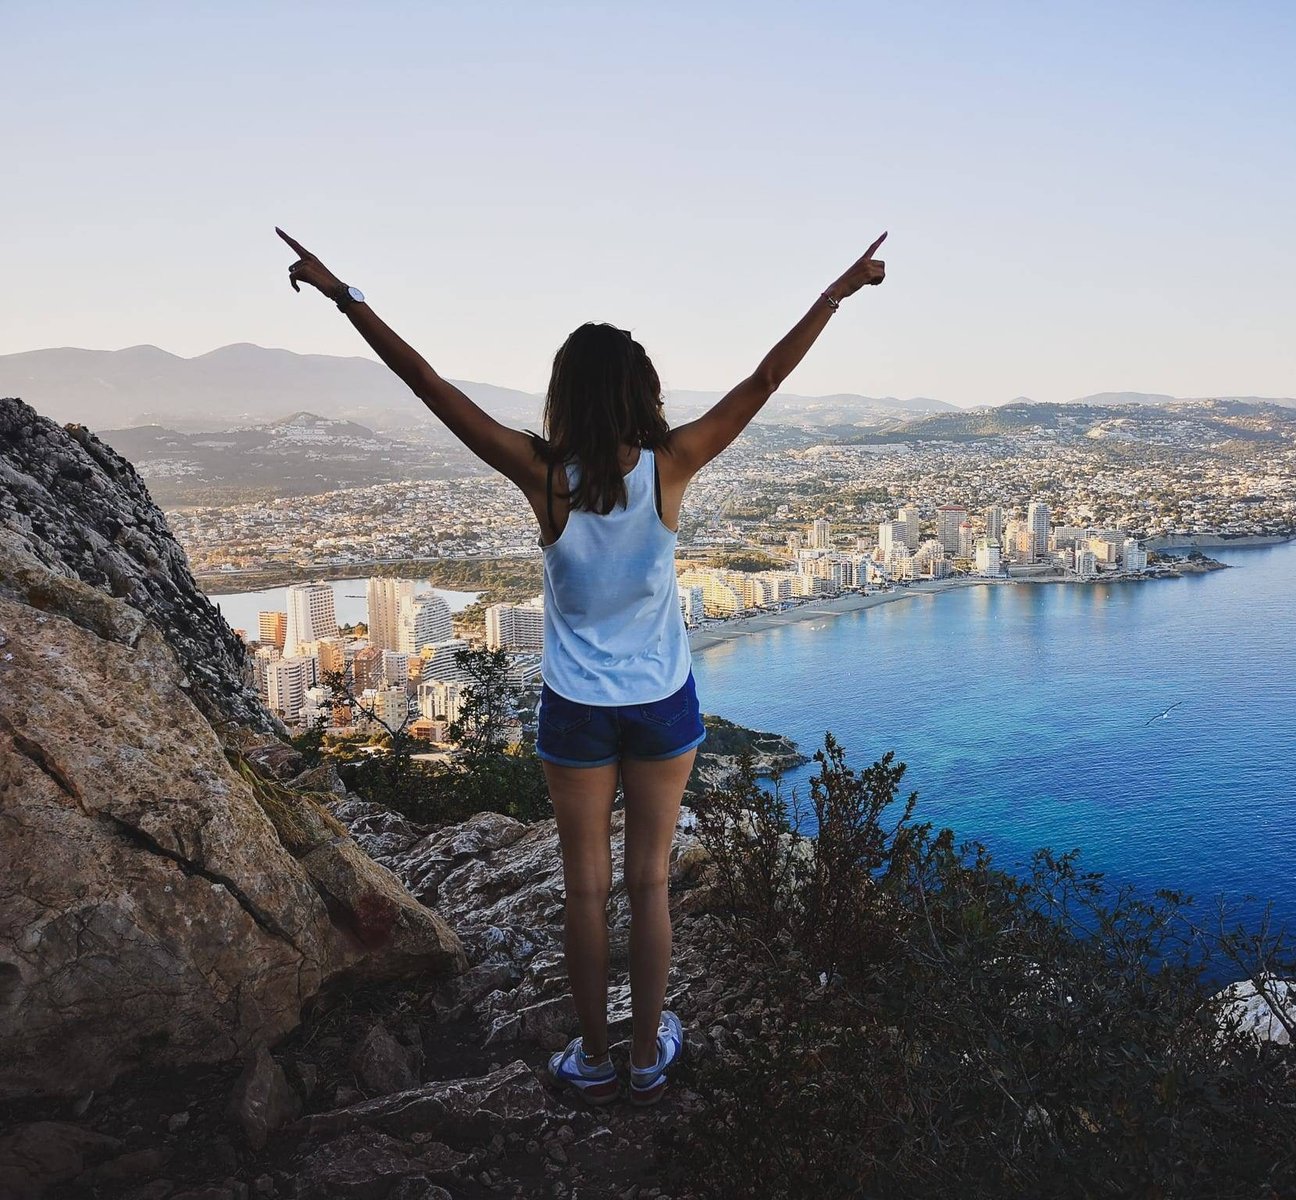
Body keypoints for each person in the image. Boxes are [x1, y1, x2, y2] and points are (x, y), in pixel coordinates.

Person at [277, 226, 887, 1105]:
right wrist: (836, 292)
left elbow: (426, 383)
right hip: (663, 709)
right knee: (650, 884)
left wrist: (345, 295)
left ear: (566, 396)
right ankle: (647, 1057)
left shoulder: (543, 475)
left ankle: (594, 1059)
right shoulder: (672, 464)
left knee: (584, 891)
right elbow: (763, 381)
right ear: (642, 394)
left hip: (574, 711)